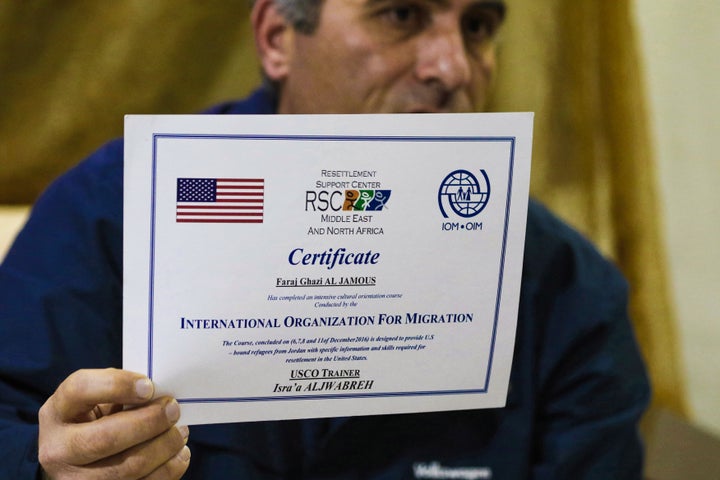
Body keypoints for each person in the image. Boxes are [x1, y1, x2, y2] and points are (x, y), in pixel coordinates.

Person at [0, 0, 651, 478]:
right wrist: (43, 465)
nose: (452, 68)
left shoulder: (567, 287)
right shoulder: (114, 209)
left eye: (477, 25)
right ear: (278, 37)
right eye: (401, 15)